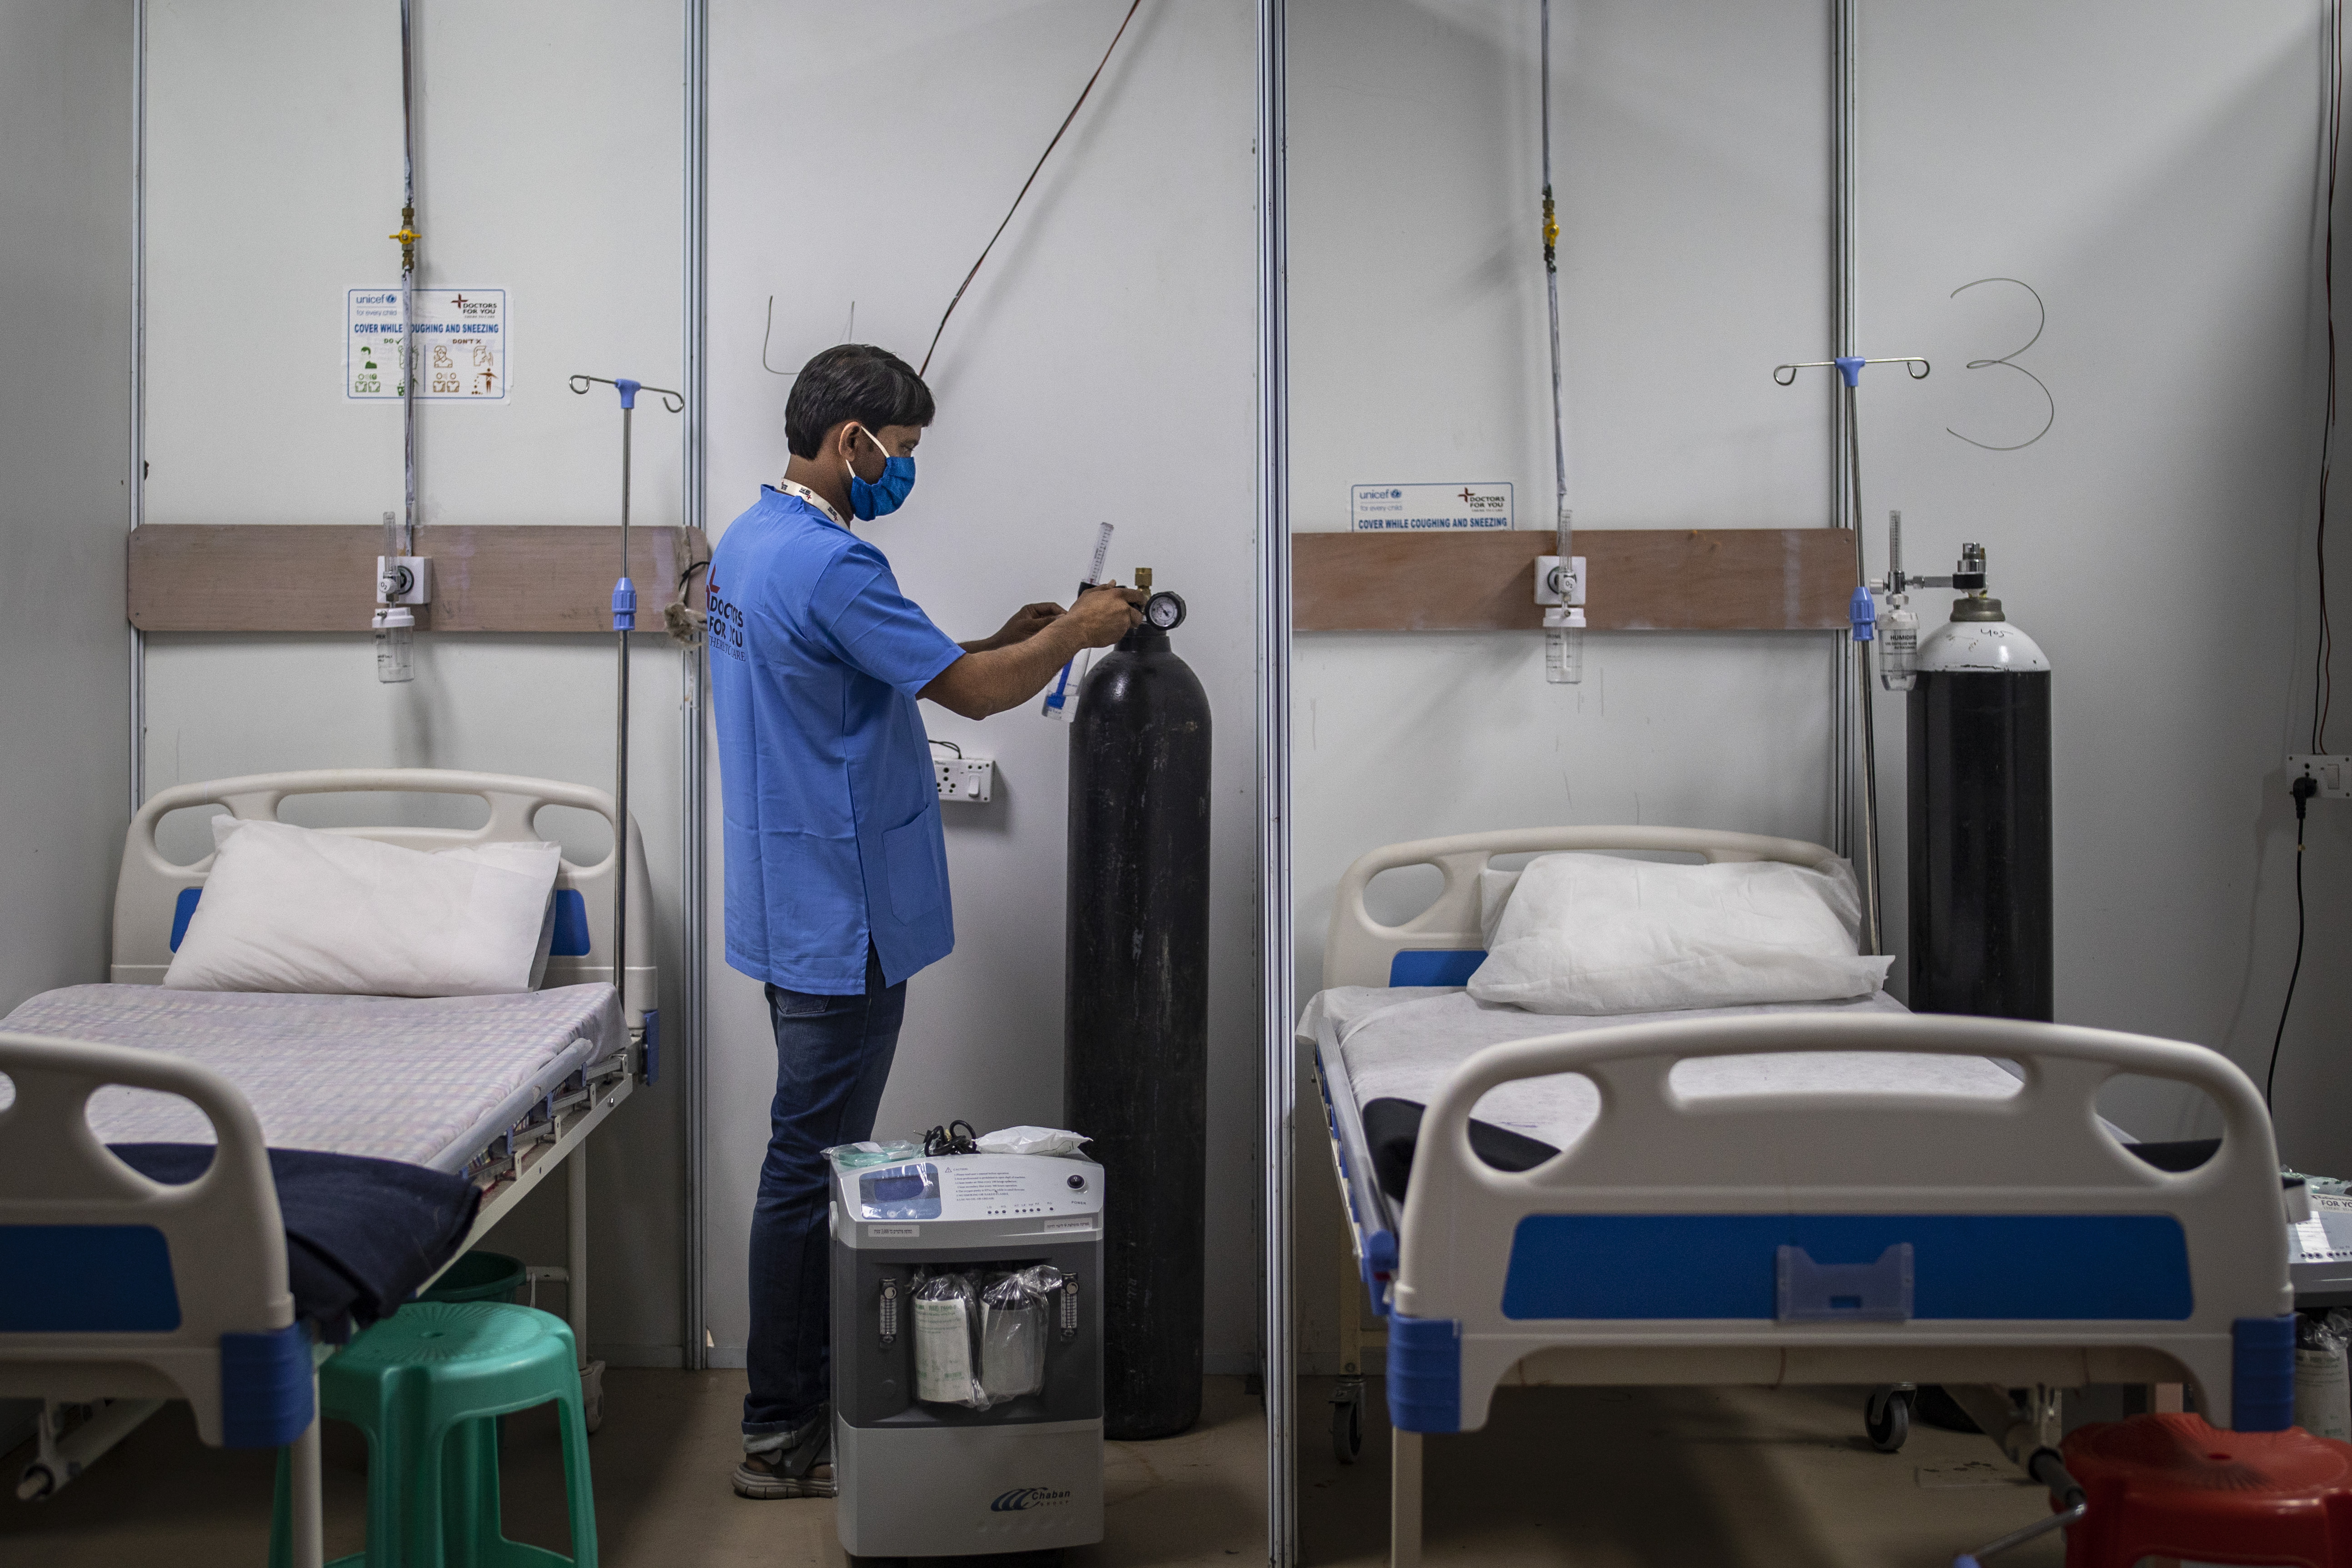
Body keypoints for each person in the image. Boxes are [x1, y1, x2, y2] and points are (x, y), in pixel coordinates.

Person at [707, 343, 1142, 1498]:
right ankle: (775, 1432)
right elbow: (976, 692)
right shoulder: (837, 564)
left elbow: (907, 663)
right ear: (851, 441)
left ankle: (782, 1409)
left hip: (785, 901)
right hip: (842, 919)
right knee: (804, 1173)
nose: (904, 472)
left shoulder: (754, 544)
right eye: (899, 453)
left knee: (798, 1163)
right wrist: (1080, 629)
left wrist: (1005, 630)